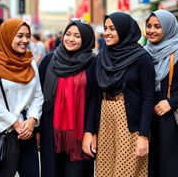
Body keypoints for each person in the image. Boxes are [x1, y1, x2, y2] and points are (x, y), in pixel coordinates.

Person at [0, 18, 44, 177]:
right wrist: (15, 124)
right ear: (7, 36)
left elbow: (37, 95)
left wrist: (32, 120)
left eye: (27, 36)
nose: (25, 40)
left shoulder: (30, 62)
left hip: (27, 131)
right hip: (2, 133)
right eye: (19, 36)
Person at [94, 12, 155, 177]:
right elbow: (95, 96)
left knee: (126, 172)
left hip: (129, 124)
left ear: (124, 30)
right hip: (105, 121)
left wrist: (143, 135)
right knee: (104, 171)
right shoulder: (102, 57)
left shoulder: (141, 57)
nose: (107, 32)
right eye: (106, 28)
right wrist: (92, 131)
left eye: (112, 29)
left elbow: (148, 98)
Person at [38, 19, 97, 177]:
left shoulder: (92, 63)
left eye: (77, 36)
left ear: (86, 39)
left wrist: (90, 132)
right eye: (68, 34)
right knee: (52, 171)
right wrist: (37, 130)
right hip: (51, 129)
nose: (71, 39)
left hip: (80, 131)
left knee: (76, 172)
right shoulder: (48, 60)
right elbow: (38, 96)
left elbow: (94, 100)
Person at [144, 10, 178, 177]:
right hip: (147, 117)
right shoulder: (144, 53)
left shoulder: (177, 52)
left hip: (170, 118)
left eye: (158, 26)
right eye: (149, 26)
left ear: (169, 28)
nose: (151, 30)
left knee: (168, 165)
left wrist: (171, 102)